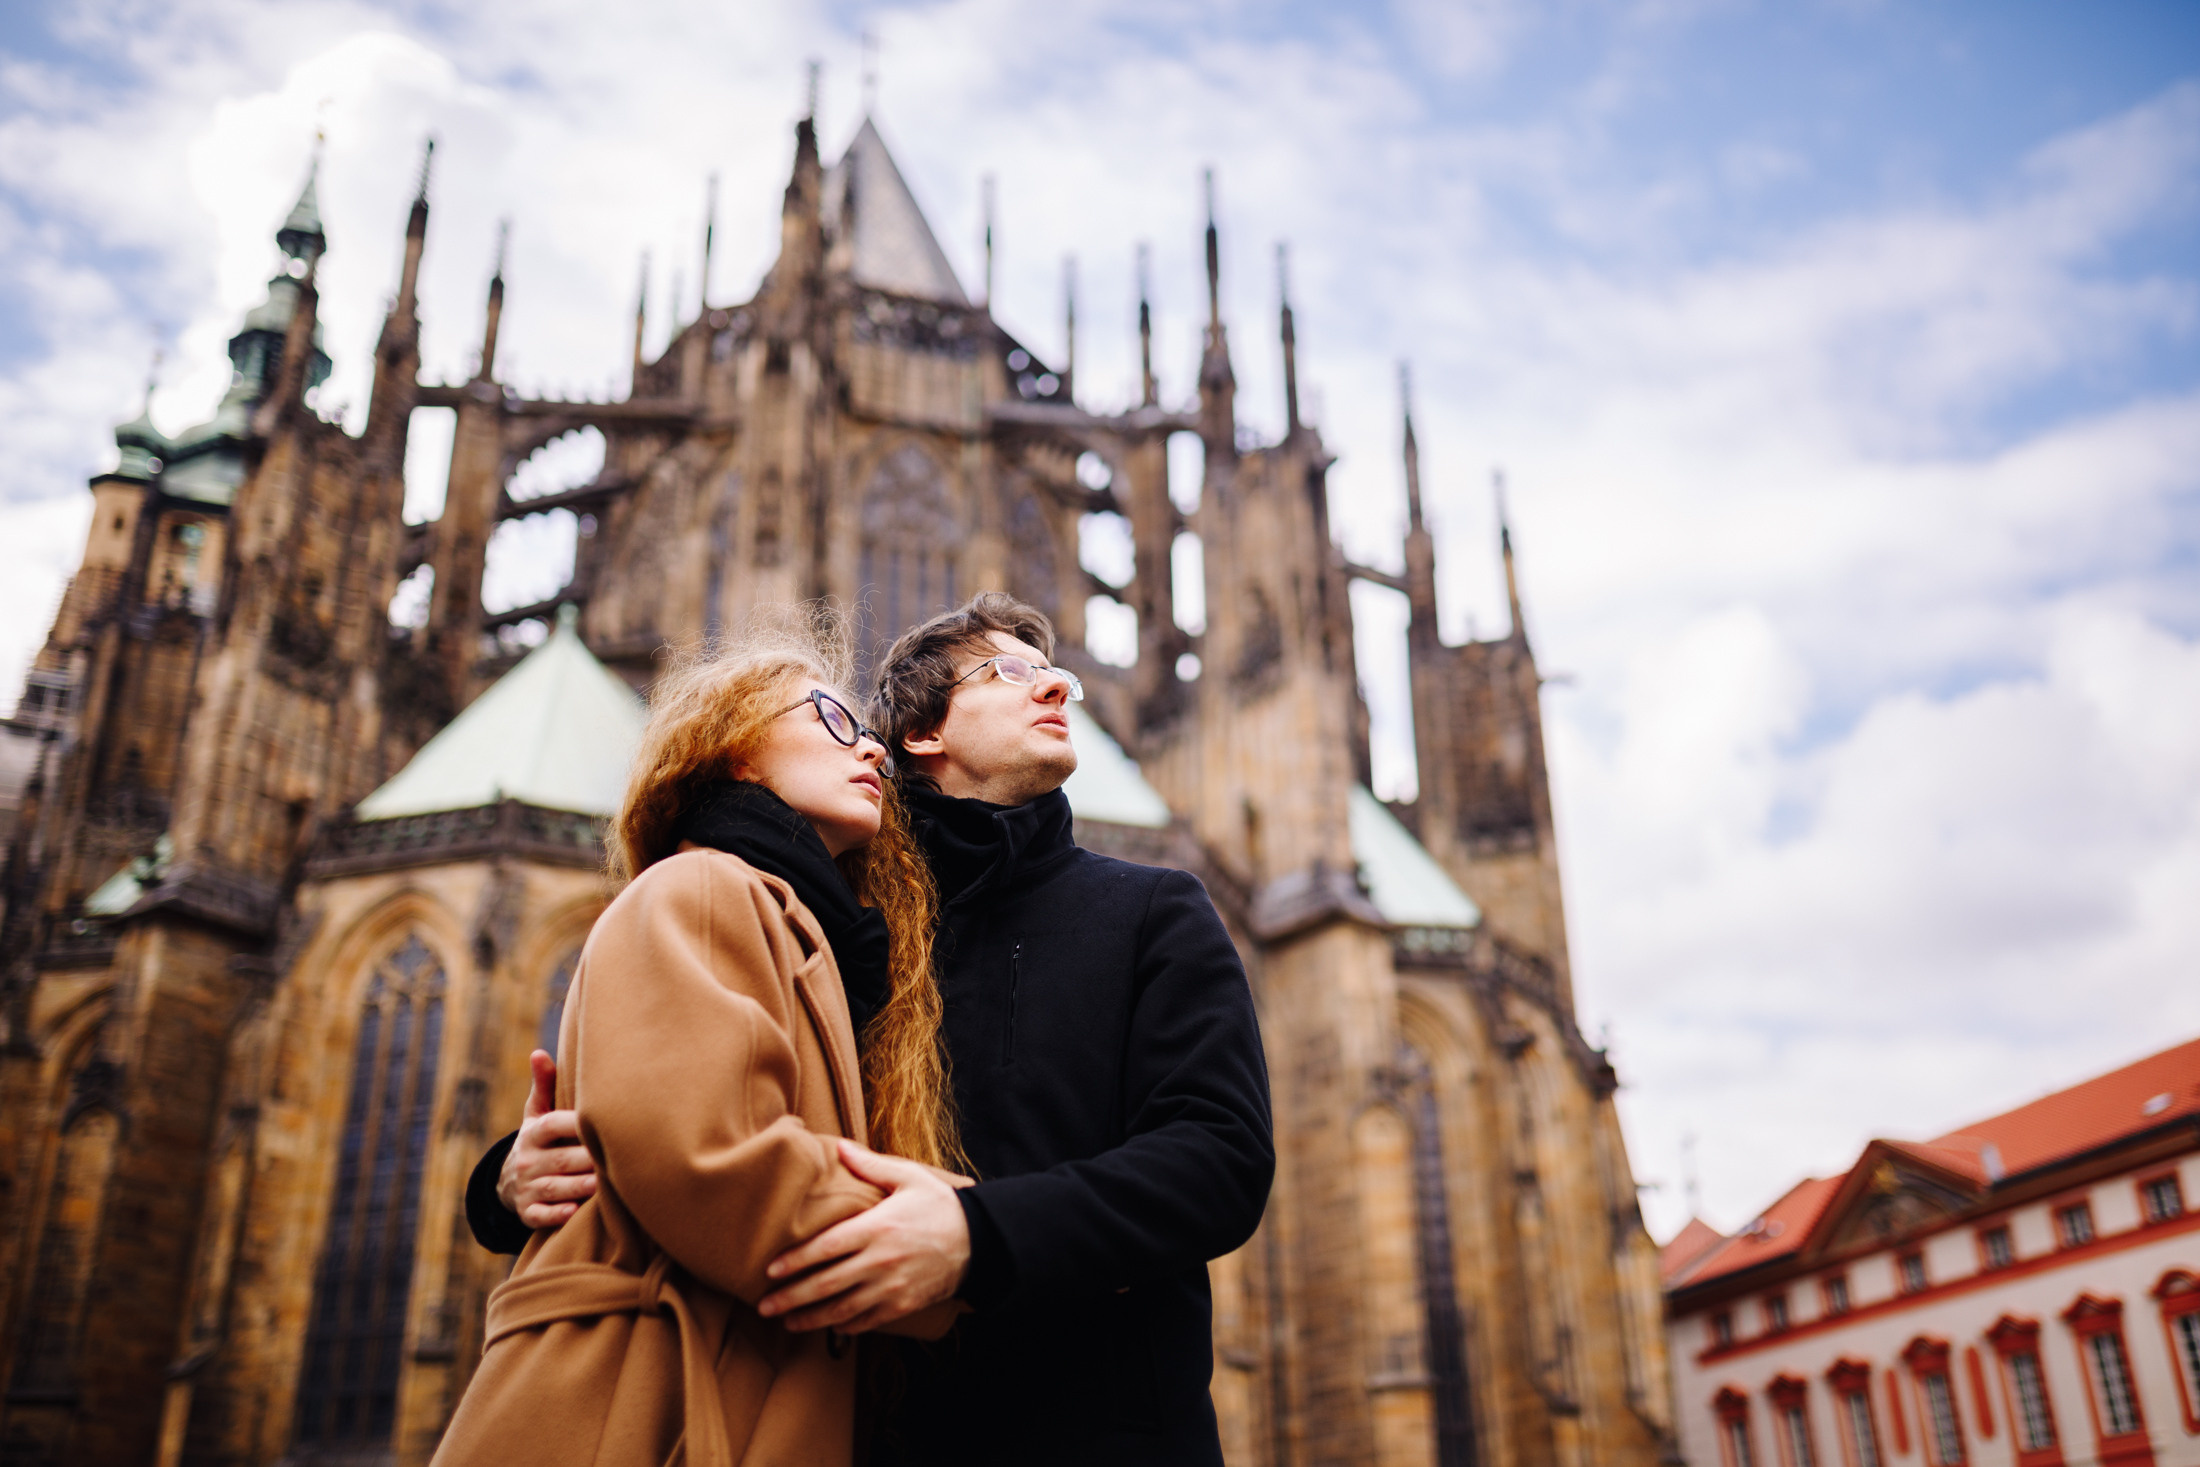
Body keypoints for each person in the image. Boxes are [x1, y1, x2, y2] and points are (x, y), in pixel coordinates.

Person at [470, 593, 1275, 1465]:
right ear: (921, 733)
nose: (1055, 692)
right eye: (1013, 671)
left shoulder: (1150, 910)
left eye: (1058, 677)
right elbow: (714, 1109)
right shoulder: (834, 926)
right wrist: (511, 1178)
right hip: (852, 1433)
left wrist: (981, 1238)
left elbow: (1219, 1158)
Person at [435, 619, 967, 1467]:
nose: (869, 749)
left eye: (868, 731)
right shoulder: (708, 888)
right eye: (832, 720)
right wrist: (983, 1245)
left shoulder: (825, 942)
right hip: (645, 1412)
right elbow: (711, 1160)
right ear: (739, 755)